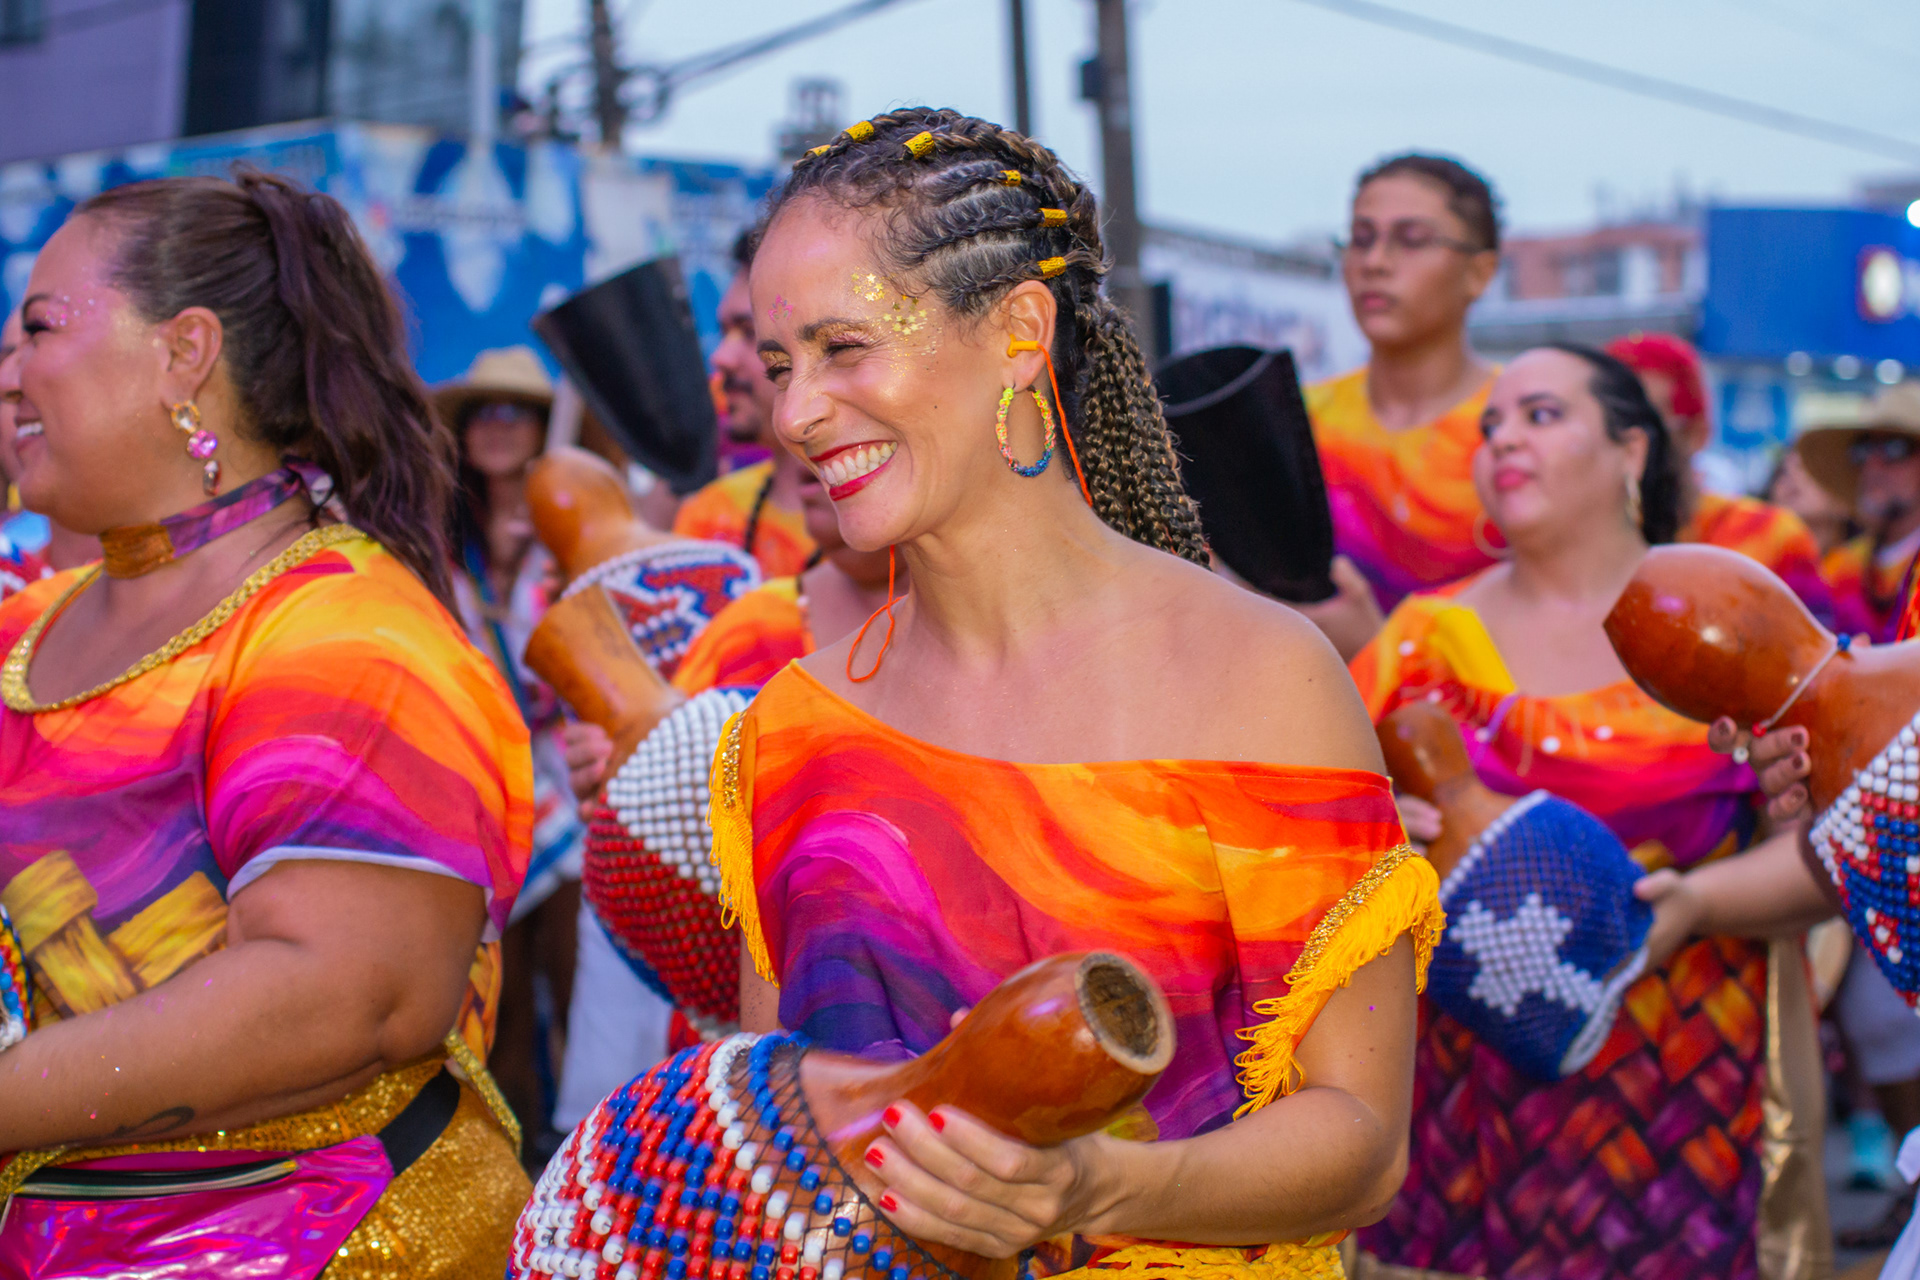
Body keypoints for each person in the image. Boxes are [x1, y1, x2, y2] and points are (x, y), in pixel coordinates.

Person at [709, 107, 1442, 1280]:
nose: (796, 415)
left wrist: (1101, 1184)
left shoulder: (1257, 679)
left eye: (845, 347)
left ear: (1018, 332)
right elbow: (781, 1137)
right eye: (780, 365)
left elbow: (1361, 1138)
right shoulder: (793, 727)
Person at [0, 171, 532, 1272]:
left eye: (39, 329)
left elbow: (345, 995)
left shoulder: (350, 636)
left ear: (184, 353)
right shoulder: (25, 625)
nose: (9, 376)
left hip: (318, 1240)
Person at [1348, 345, 1829, 1279]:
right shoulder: (1419, 640)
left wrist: (1696, 905)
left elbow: (1828, 849)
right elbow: (1305, 835)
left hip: (1683, 1089)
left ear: (1631, 451)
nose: (1503, 441)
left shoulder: (1724, 617)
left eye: (1541, 415)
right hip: (1465, 1102)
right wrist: (1373, 838)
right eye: (1490, 426)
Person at [436, 345, 589, 1158]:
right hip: (482, 792)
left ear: (540, 428)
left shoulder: (574, 532)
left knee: (578, 980)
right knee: (497, 998)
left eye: (515, 413)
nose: (497, 428)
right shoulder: (438, 540)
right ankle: (511, 1162)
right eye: (482, 414)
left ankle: (590, 1157)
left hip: (571, 790)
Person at [1303, 153, 1504, 659]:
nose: (1375, 262)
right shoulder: (1299, 421)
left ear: (1480, 273)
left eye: (1411, 240)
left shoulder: (1522, 427)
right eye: (1361, 238)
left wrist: (1379, 652)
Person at [1608, 331, 1832, 619]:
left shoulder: (1770, 536)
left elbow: (1818, 644)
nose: (1629, 444)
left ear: (1696, 433)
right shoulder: (1573, 543)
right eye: (1611, 423)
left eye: (1648, 422)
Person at [670, 232, 818, 578]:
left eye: (750, 332)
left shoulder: (885, 528)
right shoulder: (708, 516)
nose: (721, 357)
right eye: (724, 333)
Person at [1769, 446, 1857, 558]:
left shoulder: (1864, 564)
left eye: (1810, 469)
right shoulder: (1753, 559)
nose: (1792, 474)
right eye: (1783, 471)